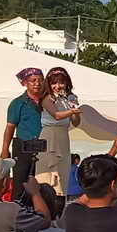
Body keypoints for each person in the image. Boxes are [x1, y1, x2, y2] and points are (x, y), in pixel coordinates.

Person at [0, 67, 45, 201]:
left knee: (43, 184)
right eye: (33, 80)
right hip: (23, 147)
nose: (37, 83)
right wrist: (5, 149)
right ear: (25, 83)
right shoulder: (17, 103)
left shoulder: (48, 102)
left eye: (40, 80)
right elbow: (10, 127)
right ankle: (18, 210)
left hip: (45, 147)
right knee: (21, 184)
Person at [38, 67, 81, 198]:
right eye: (54, 83)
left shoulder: (68, 99)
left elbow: (76, 122)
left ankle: (60, 202)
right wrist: (71, 111)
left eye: (61, 82)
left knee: (62, 175)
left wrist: (74, 108)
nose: (57, 86)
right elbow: (56, 115)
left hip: (63, 137)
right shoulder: (47, 98)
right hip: (49, 136)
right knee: (48, 175)